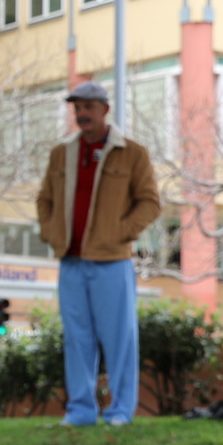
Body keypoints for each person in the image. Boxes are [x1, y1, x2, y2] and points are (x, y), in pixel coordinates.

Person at [34, 80, 162, 426]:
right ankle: (80, 411)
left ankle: (120, 411)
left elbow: (150, 203)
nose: (82, 114)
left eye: (89, 107)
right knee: (77, 339)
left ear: (105, 110)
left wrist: (119, 233)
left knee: (119, 339)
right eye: (77, 108)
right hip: (71, 261)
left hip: (112, 262)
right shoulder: (62, 153)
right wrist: (51, 232)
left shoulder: (132, 153)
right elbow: (44, 199)